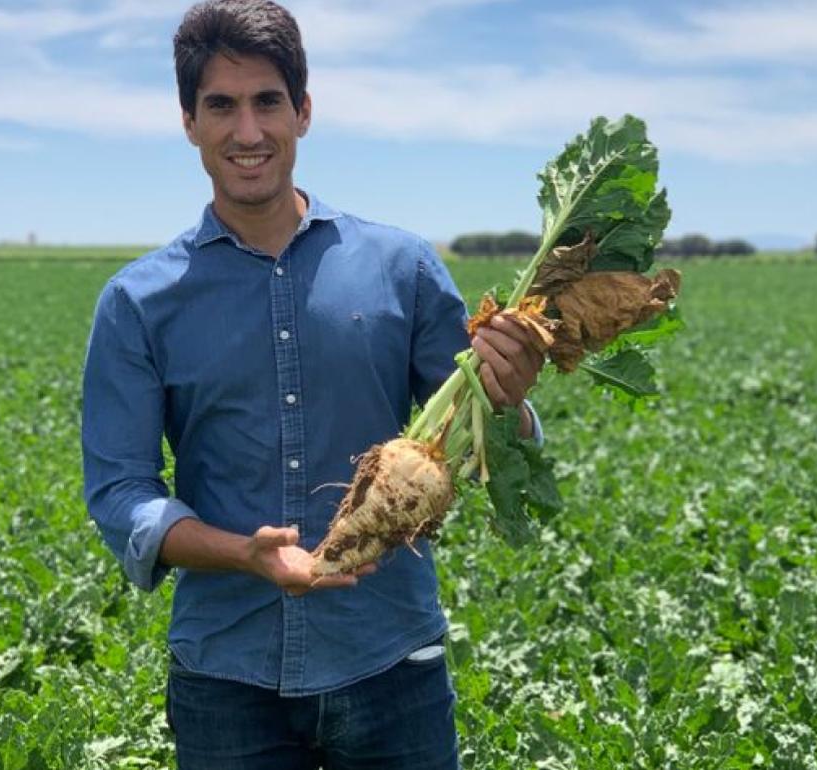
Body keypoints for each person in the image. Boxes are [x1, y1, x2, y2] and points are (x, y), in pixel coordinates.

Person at [81, 1, 545, 766]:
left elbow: (488, 442)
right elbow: (121, 493)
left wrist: (510, 397)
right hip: (227, 679)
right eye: (220, 106)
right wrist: (243, 553)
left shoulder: (403, 268)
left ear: (303, 110)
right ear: (189, 122)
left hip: (392, 662)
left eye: (268, 101)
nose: (249, 131)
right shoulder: (138, 302)